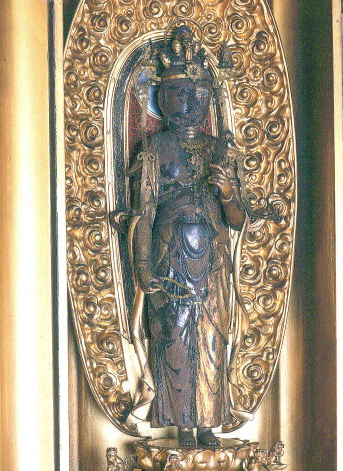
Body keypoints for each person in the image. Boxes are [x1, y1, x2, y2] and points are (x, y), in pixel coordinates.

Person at [129, 26, 246, 447]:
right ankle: (181, 425)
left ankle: (208, 423)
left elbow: (237, 219)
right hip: (170, 259)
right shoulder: (154, 149)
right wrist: (144, 269)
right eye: (180, 94)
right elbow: (143, 214)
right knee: (175, 339)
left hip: (211, 262)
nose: (189, 103)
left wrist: (228, 192)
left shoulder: (220, 150)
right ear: (163, 97)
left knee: (211, 341)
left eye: (197, 94)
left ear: (208, 98)